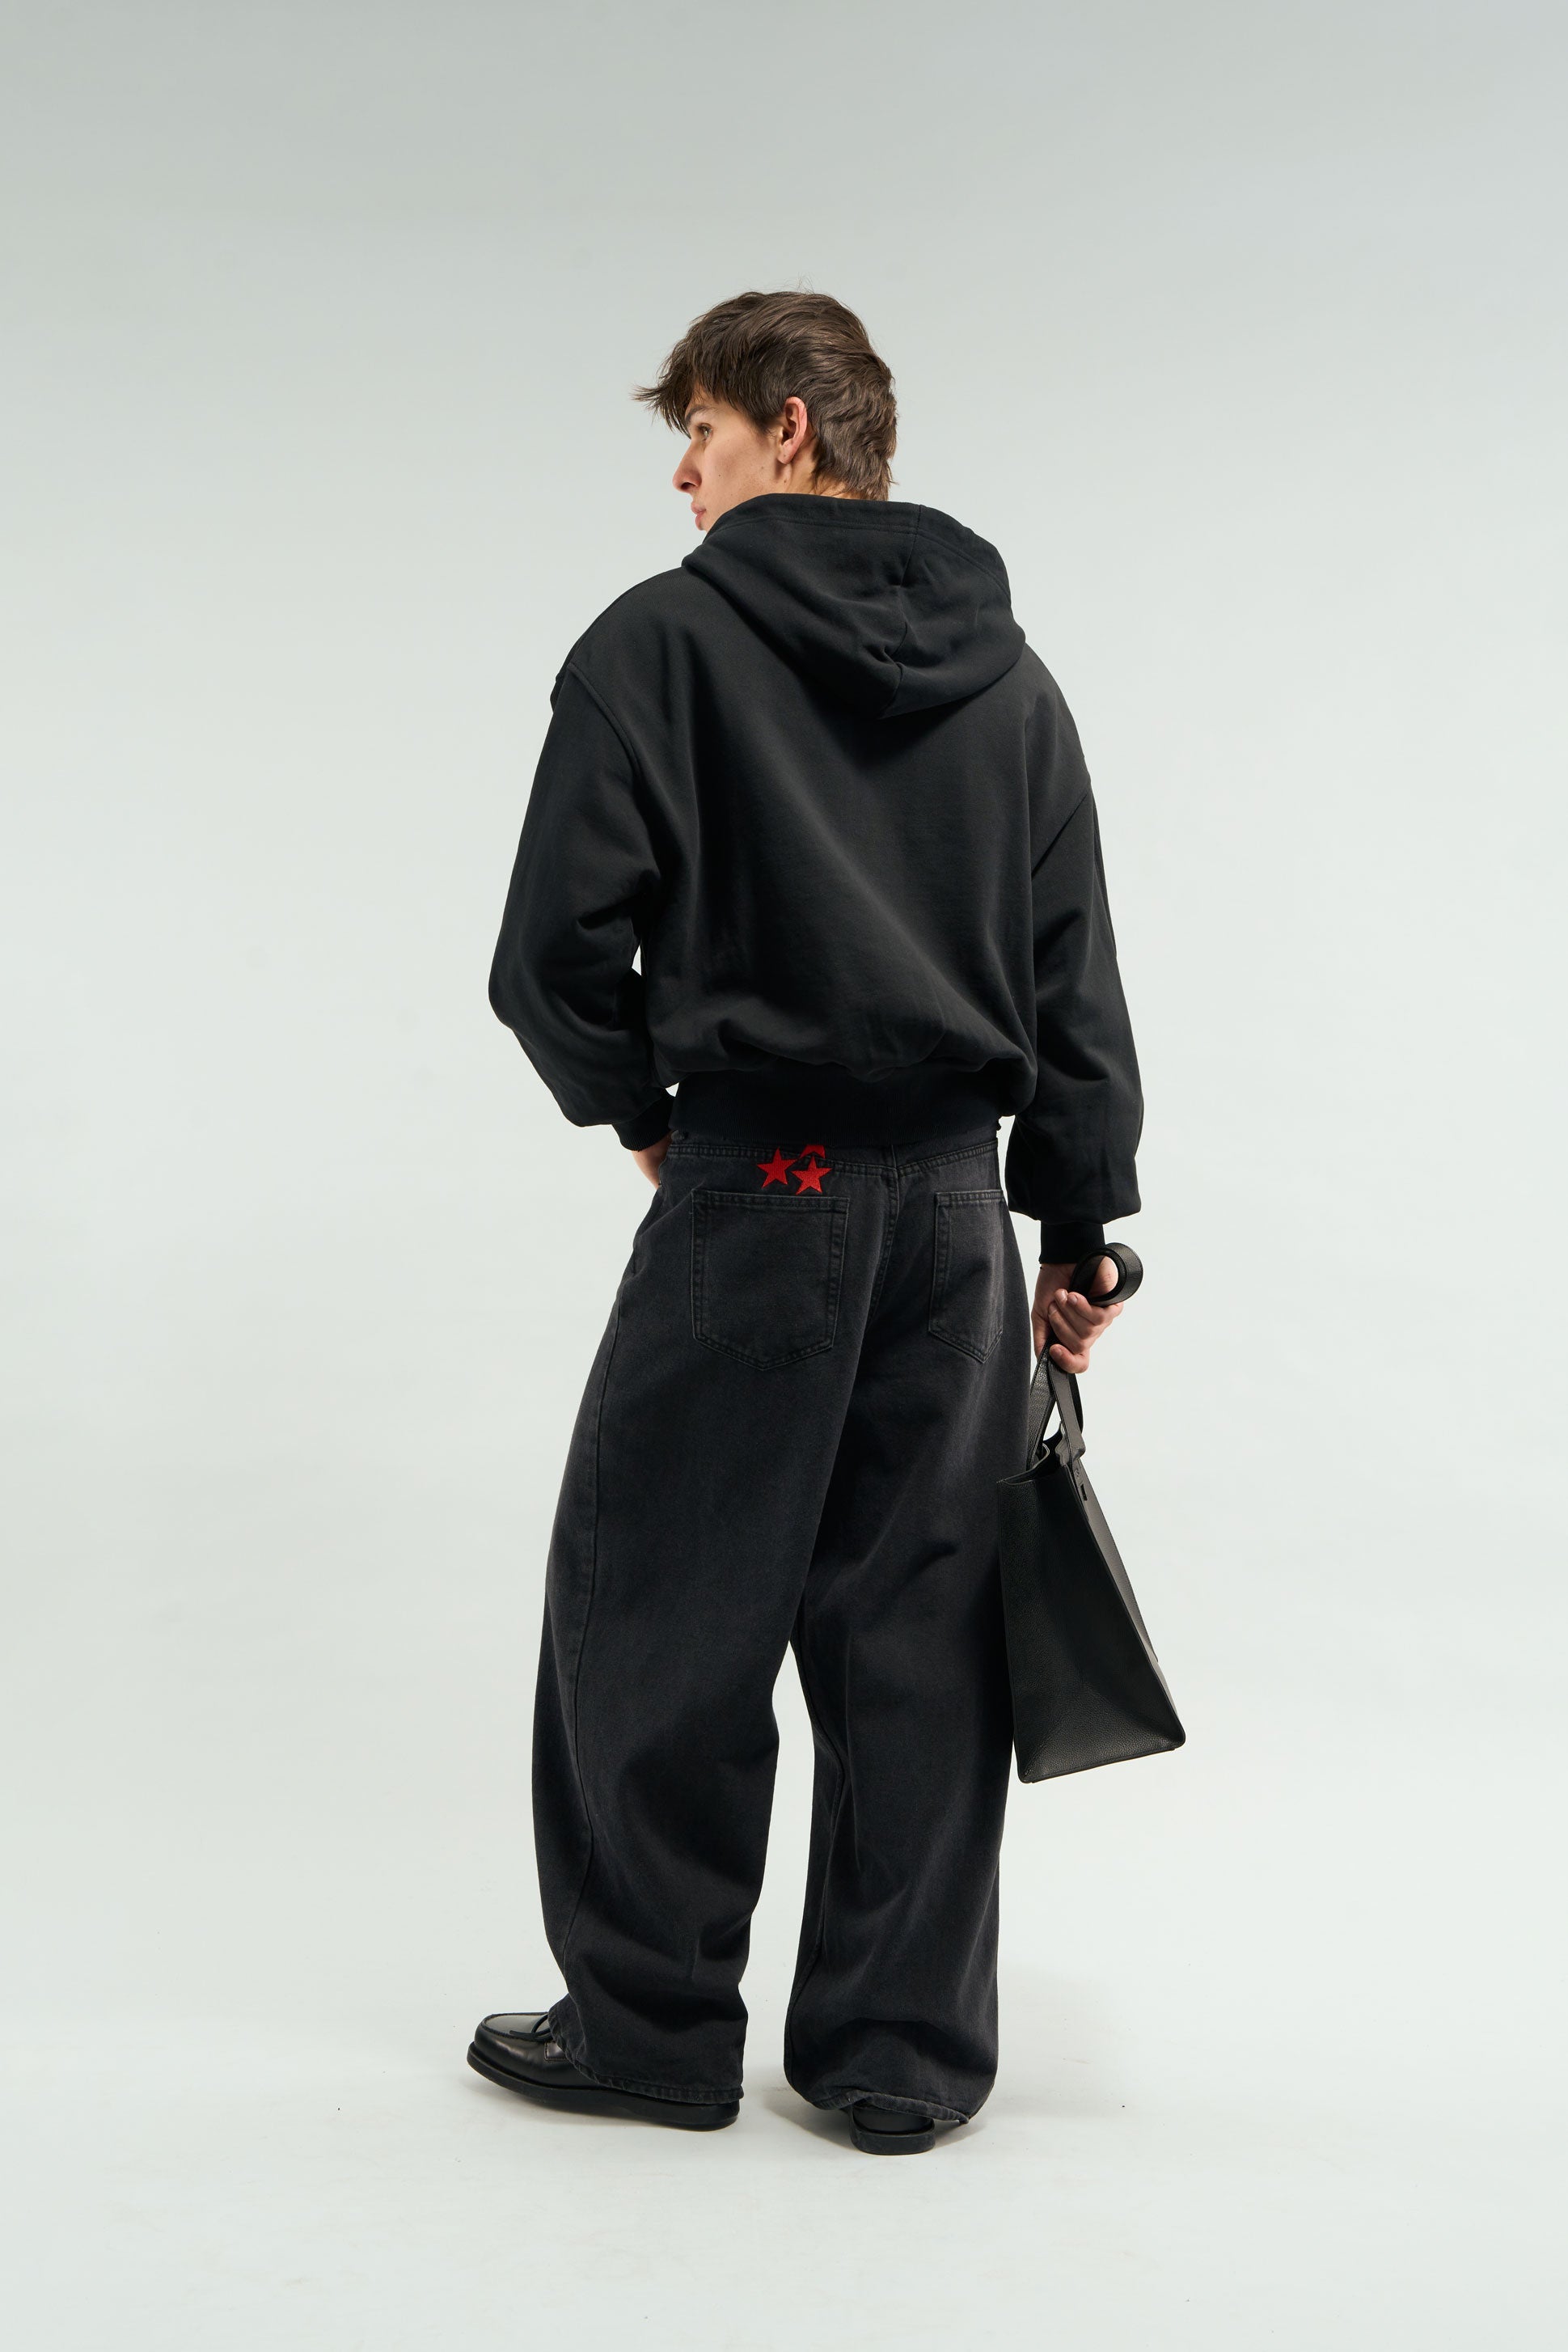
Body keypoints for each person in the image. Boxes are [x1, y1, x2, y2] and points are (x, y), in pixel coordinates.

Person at [467, 290, 1143, 2155]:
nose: (680, 475)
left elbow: (547, 960)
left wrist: (648, 1115)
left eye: (695, 430)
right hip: (953, 1214)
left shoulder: (659, 645)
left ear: (785, 427)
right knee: (919, 1634)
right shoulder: (1015, 681)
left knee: (657, 1605)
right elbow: (1072, 978)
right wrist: (1078, 1225)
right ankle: (896, 2054)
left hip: (756, 1188)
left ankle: (649, 2025)